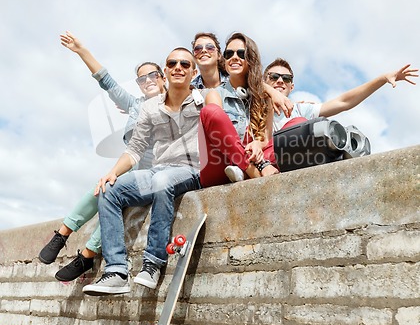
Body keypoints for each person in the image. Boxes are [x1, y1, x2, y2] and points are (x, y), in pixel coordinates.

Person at [38, 32, 166, 282]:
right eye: (142, 78)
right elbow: (107, 81)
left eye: (153, 74)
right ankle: (62, 234)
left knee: (113, 196)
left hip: (153, 174)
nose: (148, 80)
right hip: (130, 167)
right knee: (100, 188)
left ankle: (86, 256)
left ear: (162, 78)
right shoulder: (135, 105)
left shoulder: (175, 101)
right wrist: (81, 51)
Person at [82, 47, 202, 295]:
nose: (178, 67)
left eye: (185, 64)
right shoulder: (150, 108)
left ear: (193, 71)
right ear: (165, 72)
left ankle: (153, 262)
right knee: (110, 189)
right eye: (172, 63)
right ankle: (116, 271)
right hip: (158, 169)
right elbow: (135, 149)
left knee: (163, 180)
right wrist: (112, 172)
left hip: (190, 170)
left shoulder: (204, 99)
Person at [199, 32, 280, 187]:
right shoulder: (215, 94)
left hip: (254, 158)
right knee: (210, 112)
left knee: (296, 125)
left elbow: (265, 138)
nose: (234, 57)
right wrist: (259, 164)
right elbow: (220, 139)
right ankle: (253, 173)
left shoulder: (264, 97)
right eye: (229, 54)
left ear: (251, 59)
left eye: (241, 53)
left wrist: (257, 143)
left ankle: (243, 172)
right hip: (221, 164)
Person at [263, 58, 419, 132]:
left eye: (286, 78)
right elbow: (243, 80)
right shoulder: (250, 103)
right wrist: (270, 93)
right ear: (264, 80)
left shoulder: (300, 110)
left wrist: (382, 79)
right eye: (274, 77)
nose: (280, 81)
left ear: (292, 86)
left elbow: (343, 102)